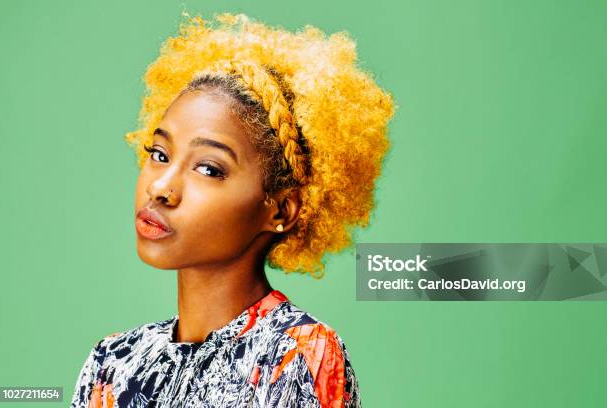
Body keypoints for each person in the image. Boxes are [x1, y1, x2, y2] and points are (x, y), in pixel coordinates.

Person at [71, 12, 394, 408]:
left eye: (209, 168)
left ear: (281, 210)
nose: (160, 188)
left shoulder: (297, 354)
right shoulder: (112, 363)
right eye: (159, 153)